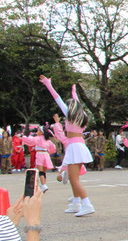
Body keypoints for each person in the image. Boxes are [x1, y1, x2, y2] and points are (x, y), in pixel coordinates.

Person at [40, 75, 95, 216]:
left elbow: (56, 98)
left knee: (74, 179)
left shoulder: (70, 115)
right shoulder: (82, 115)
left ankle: (86, 203)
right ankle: (77, 202)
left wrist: (48, 84)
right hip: (78, 146)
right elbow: (76, 102)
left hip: (75, 147)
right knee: (71, 177)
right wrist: (74, 92)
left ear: (71, 107)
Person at [21, 126, 56, 193]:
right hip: (46, 154)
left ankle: (43, 185)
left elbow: (30, 141)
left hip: (40, 154)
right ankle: (44, 185)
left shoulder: (38, 138)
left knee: (40, 171)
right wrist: (49, 151)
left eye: (38, 130)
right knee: (44, 171)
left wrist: (23, 137)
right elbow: (53, 148)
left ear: (42, 132)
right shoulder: (48, 140)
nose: (37, 131)